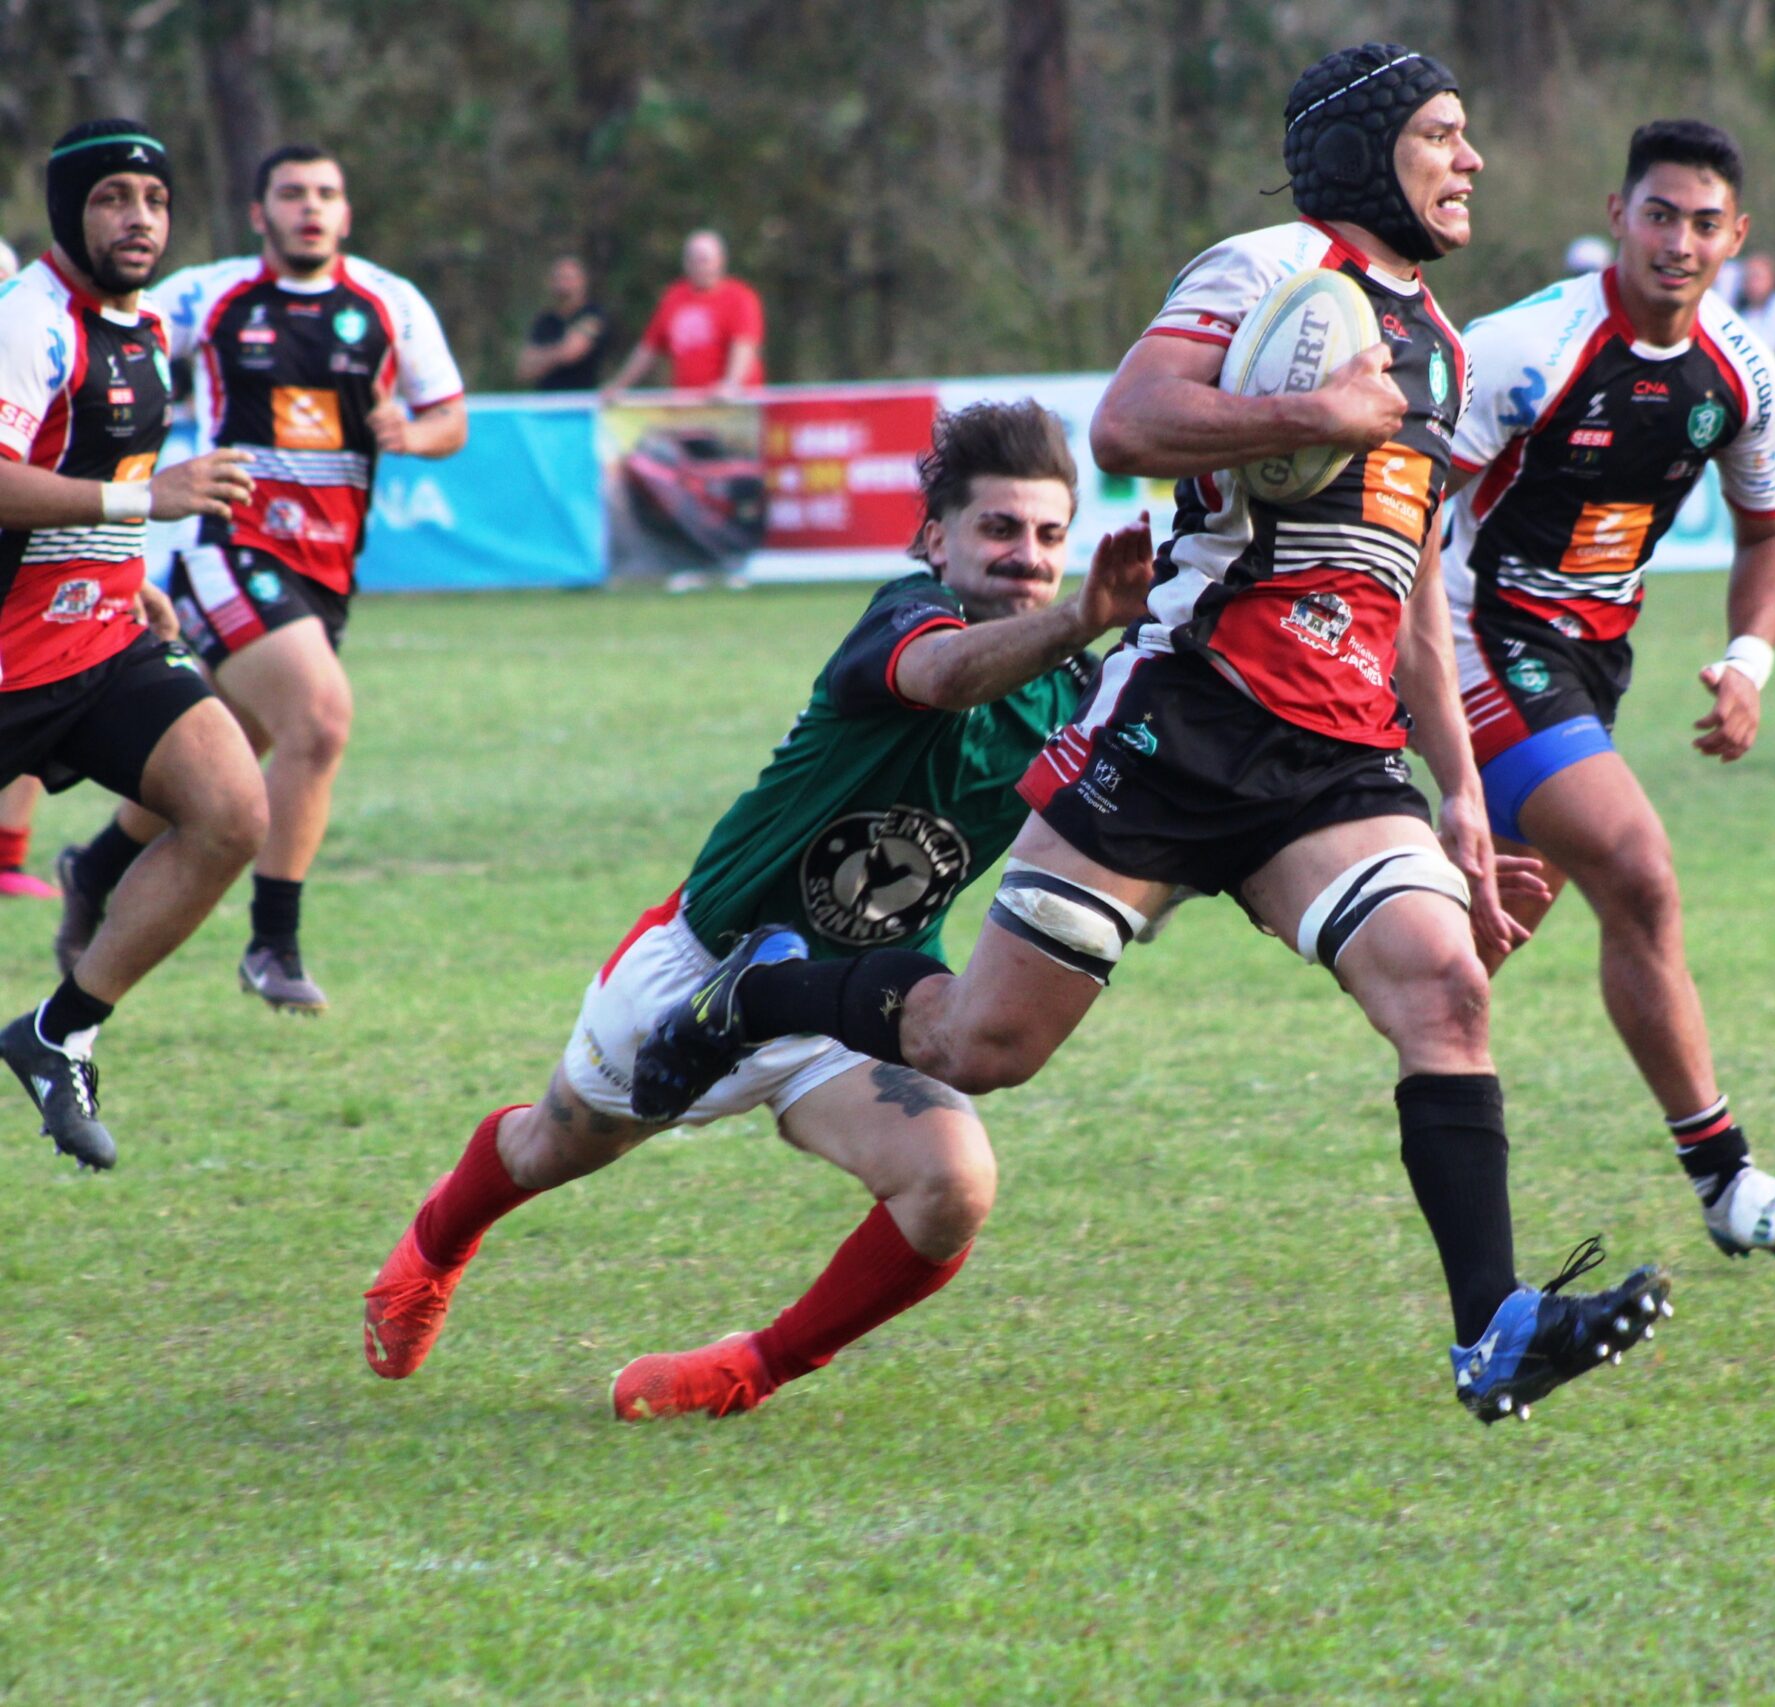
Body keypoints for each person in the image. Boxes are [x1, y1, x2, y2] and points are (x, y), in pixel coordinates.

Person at [630, 43, 1675, 1428]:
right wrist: (1312, 409)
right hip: (1188, 713)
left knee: (1445, 989)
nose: (1470, 160)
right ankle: (760, 988)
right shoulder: (1263, 270)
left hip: (1339, 757)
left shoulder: (1444, 344)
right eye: (1442, 133)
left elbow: (1415, 589)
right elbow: (1127, 421)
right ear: (1367, 151)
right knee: (977, 1041)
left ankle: (1494, 1327)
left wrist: (1464, 794)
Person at [362, 400, 1156, 1420]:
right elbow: (948, 679)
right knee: (550, 1150)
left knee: (951, 1188)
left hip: (854, 1004)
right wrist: (1084, 616)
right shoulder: (906, 620)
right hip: (699, 970)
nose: (1026, 557)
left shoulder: (1079, 692)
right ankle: (436, 1243)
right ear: (934, 539)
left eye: (1049, 536)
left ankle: (752, 1369)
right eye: (998, 529)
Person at [1442, 119, 1775, 1258]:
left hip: (1587, 663)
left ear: (1737, 237)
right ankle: (1726, 1179)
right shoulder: (1526, 350)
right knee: (1640, 871)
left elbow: (1774, 530)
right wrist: (1407, 688)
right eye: (1658, 214)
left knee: (1460, 957)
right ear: (1617, 215)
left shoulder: (1737, 370)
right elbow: (1408, 519)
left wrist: (1749, 660)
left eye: (1703, 222)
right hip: (1478, 633)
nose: (1679, 241)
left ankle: (1259, 856)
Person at [54, 143, 469, 1013]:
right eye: (291, 193)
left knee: (222, 757)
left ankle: (92, 870)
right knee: (319, 718)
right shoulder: (209, 295)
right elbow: (100, 331)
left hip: (327, 568)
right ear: (259, 213)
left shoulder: (391, 303)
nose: (309, 208)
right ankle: (272, 945)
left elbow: (450, 418)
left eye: (326, 193)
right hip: (228, 548)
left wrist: (410, 433)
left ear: (345, 213)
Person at [0, 120, 271, 1169]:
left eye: (154, 202)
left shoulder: (142, 327)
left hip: (99, 640)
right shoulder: (30, 319)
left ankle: (57, 1034)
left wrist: (137, 579)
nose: (139, 221)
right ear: (71, 208)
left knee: (232, 809)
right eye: (114, 198)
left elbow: (91, 488)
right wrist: (141, 500)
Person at [603, 230, 763, 399]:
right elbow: (648, 348)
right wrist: (619, 385)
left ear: (720, 261)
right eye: (692, 260)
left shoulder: (740, 297)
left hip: (731, 404)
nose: (699, 266)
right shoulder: (674, 297)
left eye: (704, 260)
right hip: (688, 404)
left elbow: (744, 346)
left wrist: (731, 385)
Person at [515, 254, 613, 390]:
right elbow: (523, 369)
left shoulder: (593, 314)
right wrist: (559, 351)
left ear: (582, 281)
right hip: (545, 404)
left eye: (569, 278)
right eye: (558, 278)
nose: (563, 284)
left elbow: (571, 353)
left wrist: (540, 357)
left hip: (580, 403)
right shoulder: (544, 320)